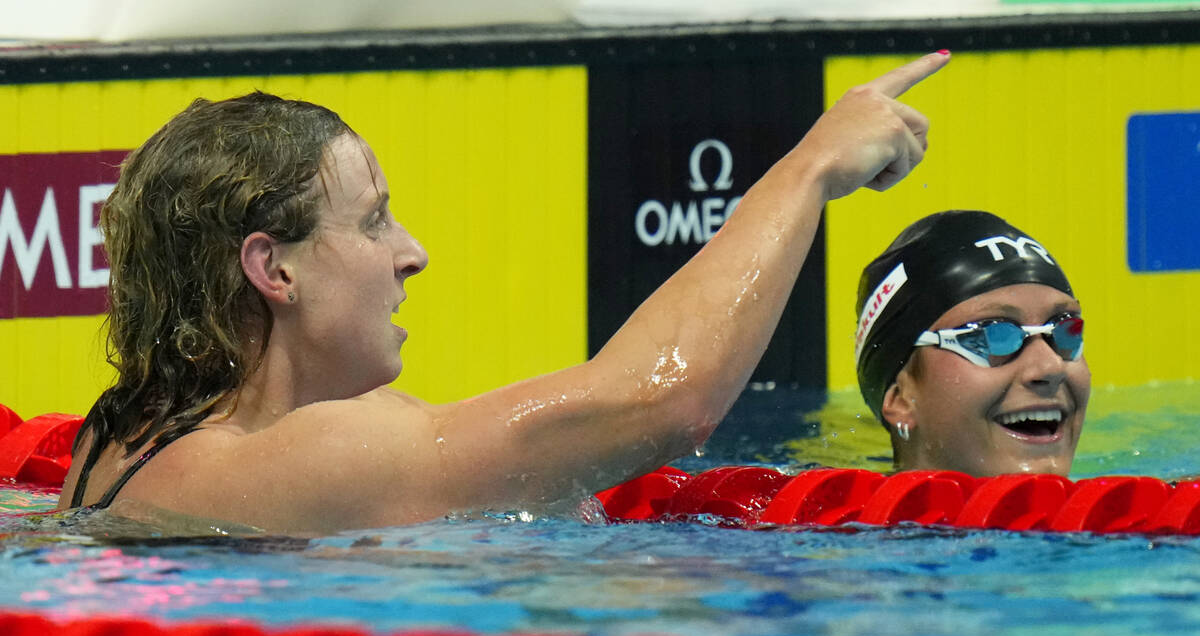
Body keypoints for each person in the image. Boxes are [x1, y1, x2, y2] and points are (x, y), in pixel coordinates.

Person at [58, 51, 951, 532]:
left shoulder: (118, 436)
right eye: (373, 221)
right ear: (273, 269)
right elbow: (663, 398)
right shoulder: (323, 455)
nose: (413, 254)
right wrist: (809, 169)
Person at [854, 209, 1090, 478]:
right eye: (993, 335)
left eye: (1065, 331)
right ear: (901, 399)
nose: (1050, 367)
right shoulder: (827, 519)